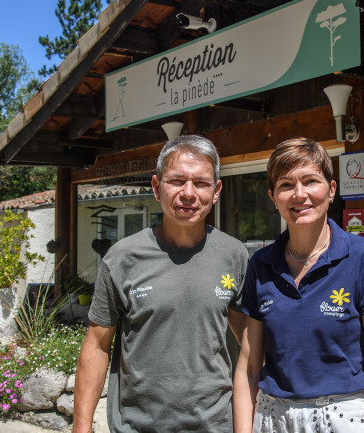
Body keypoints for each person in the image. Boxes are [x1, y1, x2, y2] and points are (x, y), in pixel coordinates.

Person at [72, 135, 249, 433]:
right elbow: (97, 344)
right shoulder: (122, 258)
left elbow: (250, 344)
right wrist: (81, 426)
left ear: (216, 191)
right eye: (176, 181)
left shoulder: (234, 255)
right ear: (156, 187)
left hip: (215, 425)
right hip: (137, 426)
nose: (188, 193)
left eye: (201, 183)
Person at [233, 137, 364, 433]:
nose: (300, 194)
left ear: (332, 190)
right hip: (272, 418)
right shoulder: (261, 264)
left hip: (342, 418)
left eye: (311, 181)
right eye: (286, 185)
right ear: (273, 197)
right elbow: (248, 368)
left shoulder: (362, 257)